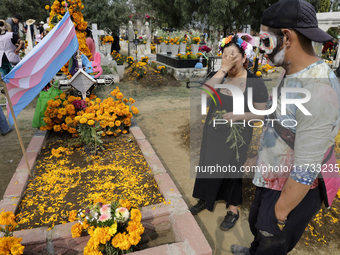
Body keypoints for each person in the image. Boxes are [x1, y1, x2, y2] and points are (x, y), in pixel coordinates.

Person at [231, 0, 340, 254]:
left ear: (287, 38)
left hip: (291, 187)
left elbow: (304, 171)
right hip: (273, 174)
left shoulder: (318, 91)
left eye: (265, 40)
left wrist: (279, 216)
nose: (262, 49)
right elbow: (277, 112)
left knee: (271, 239)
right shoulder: (290, 71)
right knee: (257, 224)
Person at [190, 34, 268, 231]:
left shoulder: (254, 82)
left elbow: (261, 115)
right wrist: (222, 70)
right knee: (208, 163)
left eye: (234, 55)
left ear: (244, 58)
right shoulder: (219, 76)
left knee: (233, 169)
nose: (230, 59)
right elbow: (203, 95)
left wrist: (240, 116)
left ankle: (233, 209)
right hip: (214, 132)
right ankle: (205, 198)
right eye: (226, 55)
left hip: (238, 137)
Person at [0, 19, 22, 135]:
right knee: (5, 79)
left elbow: (20, 42)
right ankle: (8, 91)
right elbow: (20, 42)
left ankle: (12, 91)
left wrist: (18, 48)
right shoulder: (10, 35)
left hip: (10, 60)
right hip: (5, 61)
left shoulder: (11, 35)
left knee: (11, 78)